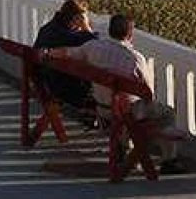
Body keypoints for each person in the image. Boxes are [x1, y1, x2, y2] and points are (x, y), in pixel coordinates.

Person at [48, 15, 183, 171]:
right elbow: (148, 93)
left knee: (127, 109)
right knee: (167, 113)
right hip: (128, 113)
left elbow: (67, 53)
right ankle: (169, 161)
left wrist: (47, 52)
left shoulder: (93, 47)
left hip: (103, 109)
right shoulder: (135, 59)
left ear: (110, 30)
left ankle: (123, 148)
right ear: (130, 34)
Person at [32, 0, 97, 110]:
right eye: (81, 19)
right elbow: (94, 43)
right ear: (75, 18)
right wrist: (86, 27)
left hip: (44, 81)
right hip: (62, 88)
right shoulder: (68, 37)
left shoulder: (47, 29)